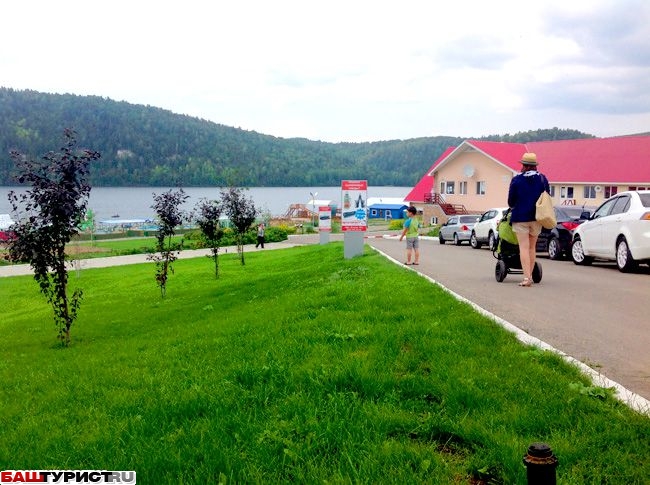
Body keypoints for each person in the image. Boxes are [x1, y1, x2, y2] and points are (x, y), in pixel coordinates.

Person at [507, 152, 550, 287]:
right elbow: (547, 197)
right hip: (537, 218)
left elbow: (511, 201)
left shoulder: (517, 180)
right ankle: (529, 276)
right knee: (532, 248)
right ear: (535, 165)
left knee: (524, 248)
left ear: (524, 165)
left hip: (520, 218)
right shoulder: (542, 179)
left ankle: (527, 278)